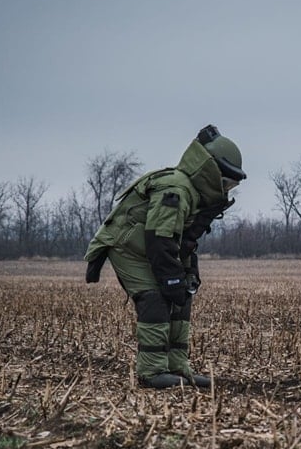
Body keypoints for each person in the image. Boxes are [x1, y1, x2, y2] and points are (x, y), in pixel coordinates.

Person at [84, 124, 245, 388]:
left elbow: (183, 241)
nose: (227, 189)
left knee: (182, 297)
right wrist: (171, 280)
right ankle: (152, 373)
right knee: (156, 297)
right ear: (210, 171)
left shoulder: (194, 194)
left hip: (151, 248)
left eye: (233, 184)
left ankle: (178, 368)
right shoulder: (176, 190)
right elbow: (160, 240)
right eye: (226, 182)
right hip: (128, 249)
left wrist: (188, 275)